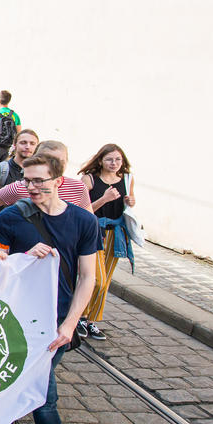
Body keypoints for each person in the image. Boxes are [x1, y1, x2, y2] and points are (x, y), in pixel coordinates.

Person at [0, 154, 98, 424]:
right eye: (28, 180)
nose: (32, 187)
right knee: (45, 397)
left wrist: (69, 324)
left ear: (58, 181)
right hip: (19, 322)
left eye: (40, 181)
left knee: (39, 391)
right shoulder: (11, 217)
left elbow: (88, 277)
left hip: (58, 325)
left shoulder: (82, 221)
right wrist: (18, 258)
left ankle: (21, 422)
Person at [77, 144, 136, 341]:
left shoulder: (127, 180)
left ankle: (91, 320)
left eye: (118, 160)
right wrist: (104, 199)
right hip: (94, 232)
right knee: (96, 280)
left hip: (116, 235)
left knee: (106, 280)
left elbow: (128, 207)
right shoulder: (89, 180)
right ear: (100, 160)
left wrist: (131, 202)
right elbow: (81, 209)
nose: (114, 163)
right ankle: (79, 316)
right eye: (110, 159)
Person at [0, 140, 91, 229]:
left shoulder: (78, 188)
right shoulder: (21, 187)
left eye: (60, 161)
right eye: (50, 160)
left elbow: (89, 222)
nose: (56, 166)